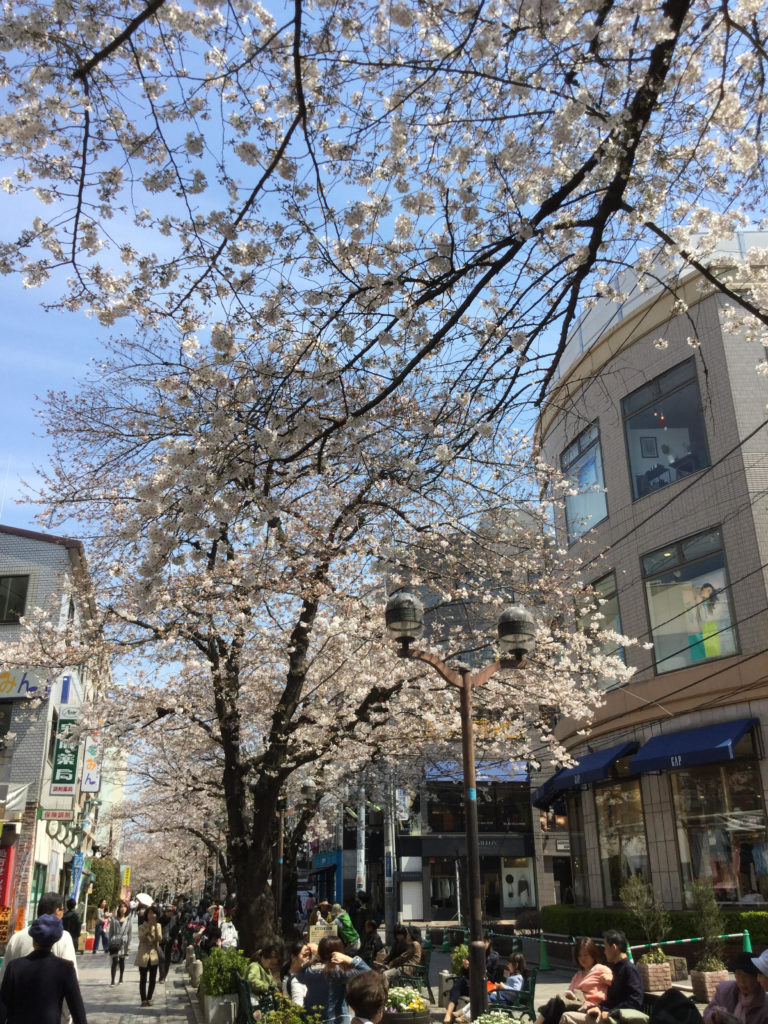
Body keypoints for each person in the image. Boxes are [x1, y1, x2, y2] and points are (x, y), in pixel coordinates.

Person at [0, 914, 87, 1024]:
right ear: (55, 940)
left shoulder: (14, 967)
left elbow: (2, 1008)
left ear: (34, 940)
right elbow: (77, 1010)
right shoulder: (65, 969)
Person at [560, 930, 643, 1024]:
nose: (604, 952)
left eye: (606, 948)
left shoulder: (629, 969)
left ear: (614, 947)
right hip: (605, 1013)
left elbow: (635, 1001)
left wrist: (611, 1012)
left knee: (567, 1017)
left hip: (616, 1018)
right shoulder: (614, 968)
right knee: (561, 1010)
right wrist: (597, 1008)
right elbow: (610, 1000)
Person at [0, 892, 78, 984]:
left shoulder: (17, 938)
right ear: (57, 911)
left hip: (19, 997)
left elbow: (4, 978)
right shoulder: (64, 937)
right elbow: (72, 979)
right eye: (62, 910)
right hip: (52, 997)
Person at [535, 938, 613, 1024]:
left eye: (585, 955)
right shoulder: (578, 975)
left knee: (554, 1004)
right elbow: (569, 993)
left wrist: (608, 978)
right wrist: (570, 996)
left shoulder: (601, 969)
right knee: (554, 1006)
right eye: (580, 956)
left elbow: (612, 982)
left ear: (593, 954)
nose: (582, 958)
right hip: (576, 1004)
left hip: (589, 1007)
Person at [297, 935, 370, 1024]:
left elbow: (298, 975)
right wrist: (347, 958)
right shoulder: (337, 973)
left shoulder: (309, 971)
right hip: (337, 1019)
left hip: (313, 1019)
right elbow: (368, 972)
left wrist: (312, 959)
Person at [703, 953, 768, 1024]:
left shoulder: (765, 1004)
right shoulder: (724, 991)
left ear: (756, 978)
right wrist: (714, 1017)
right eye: (738, 974)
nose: (742, 980)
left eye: (746, 976)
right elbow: (707, 1012)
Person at [135, 903, 162, 1008]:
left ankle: (149, 998)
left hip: (154, 955)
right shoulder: (141, 926)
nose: (152, 915)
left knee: (152, 978)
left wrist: (154, 926)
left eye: (154, 913)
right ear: (146, 915)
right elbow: (141, 938)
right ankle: (143, 999)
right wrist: (148, 928)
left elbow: (159, 939)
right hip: (143, 955)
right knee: (143, 978)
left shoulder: (158, 926)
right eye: (150, 913)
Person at [108, 899, 132, 986]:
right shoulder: (114, 919)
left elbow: (130, 934)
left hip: (124, 942)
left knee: (122, 960)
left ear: (126, 909)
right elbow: (110, 932)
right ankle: (112, 980)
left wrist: (129, 945)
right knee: (114, 961)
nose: (122, 909)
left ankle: (121, 977)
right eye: (121, 907)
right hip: (115, 941)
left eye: (124, 907)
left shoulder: (128, 920)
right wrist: (109, 943)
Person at [283, 941, 312, 1006]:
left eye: (309, 956)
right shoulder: (296, 980)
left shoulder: (289, 975)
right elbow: (298, 1008)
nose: (308, 959)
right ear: (293, 957)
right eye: (305, 955)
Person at [442, 957, 469, 1024]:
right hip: (468, 985)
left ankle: (449, 1015)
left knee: (458, 985)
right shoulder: (473, 954)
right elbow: (464, 974)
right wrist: (465, 967)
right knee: (459, 982)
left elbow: (491, 977)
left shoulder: (492, 958)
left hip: (479, 988)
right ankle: (448, 1014)